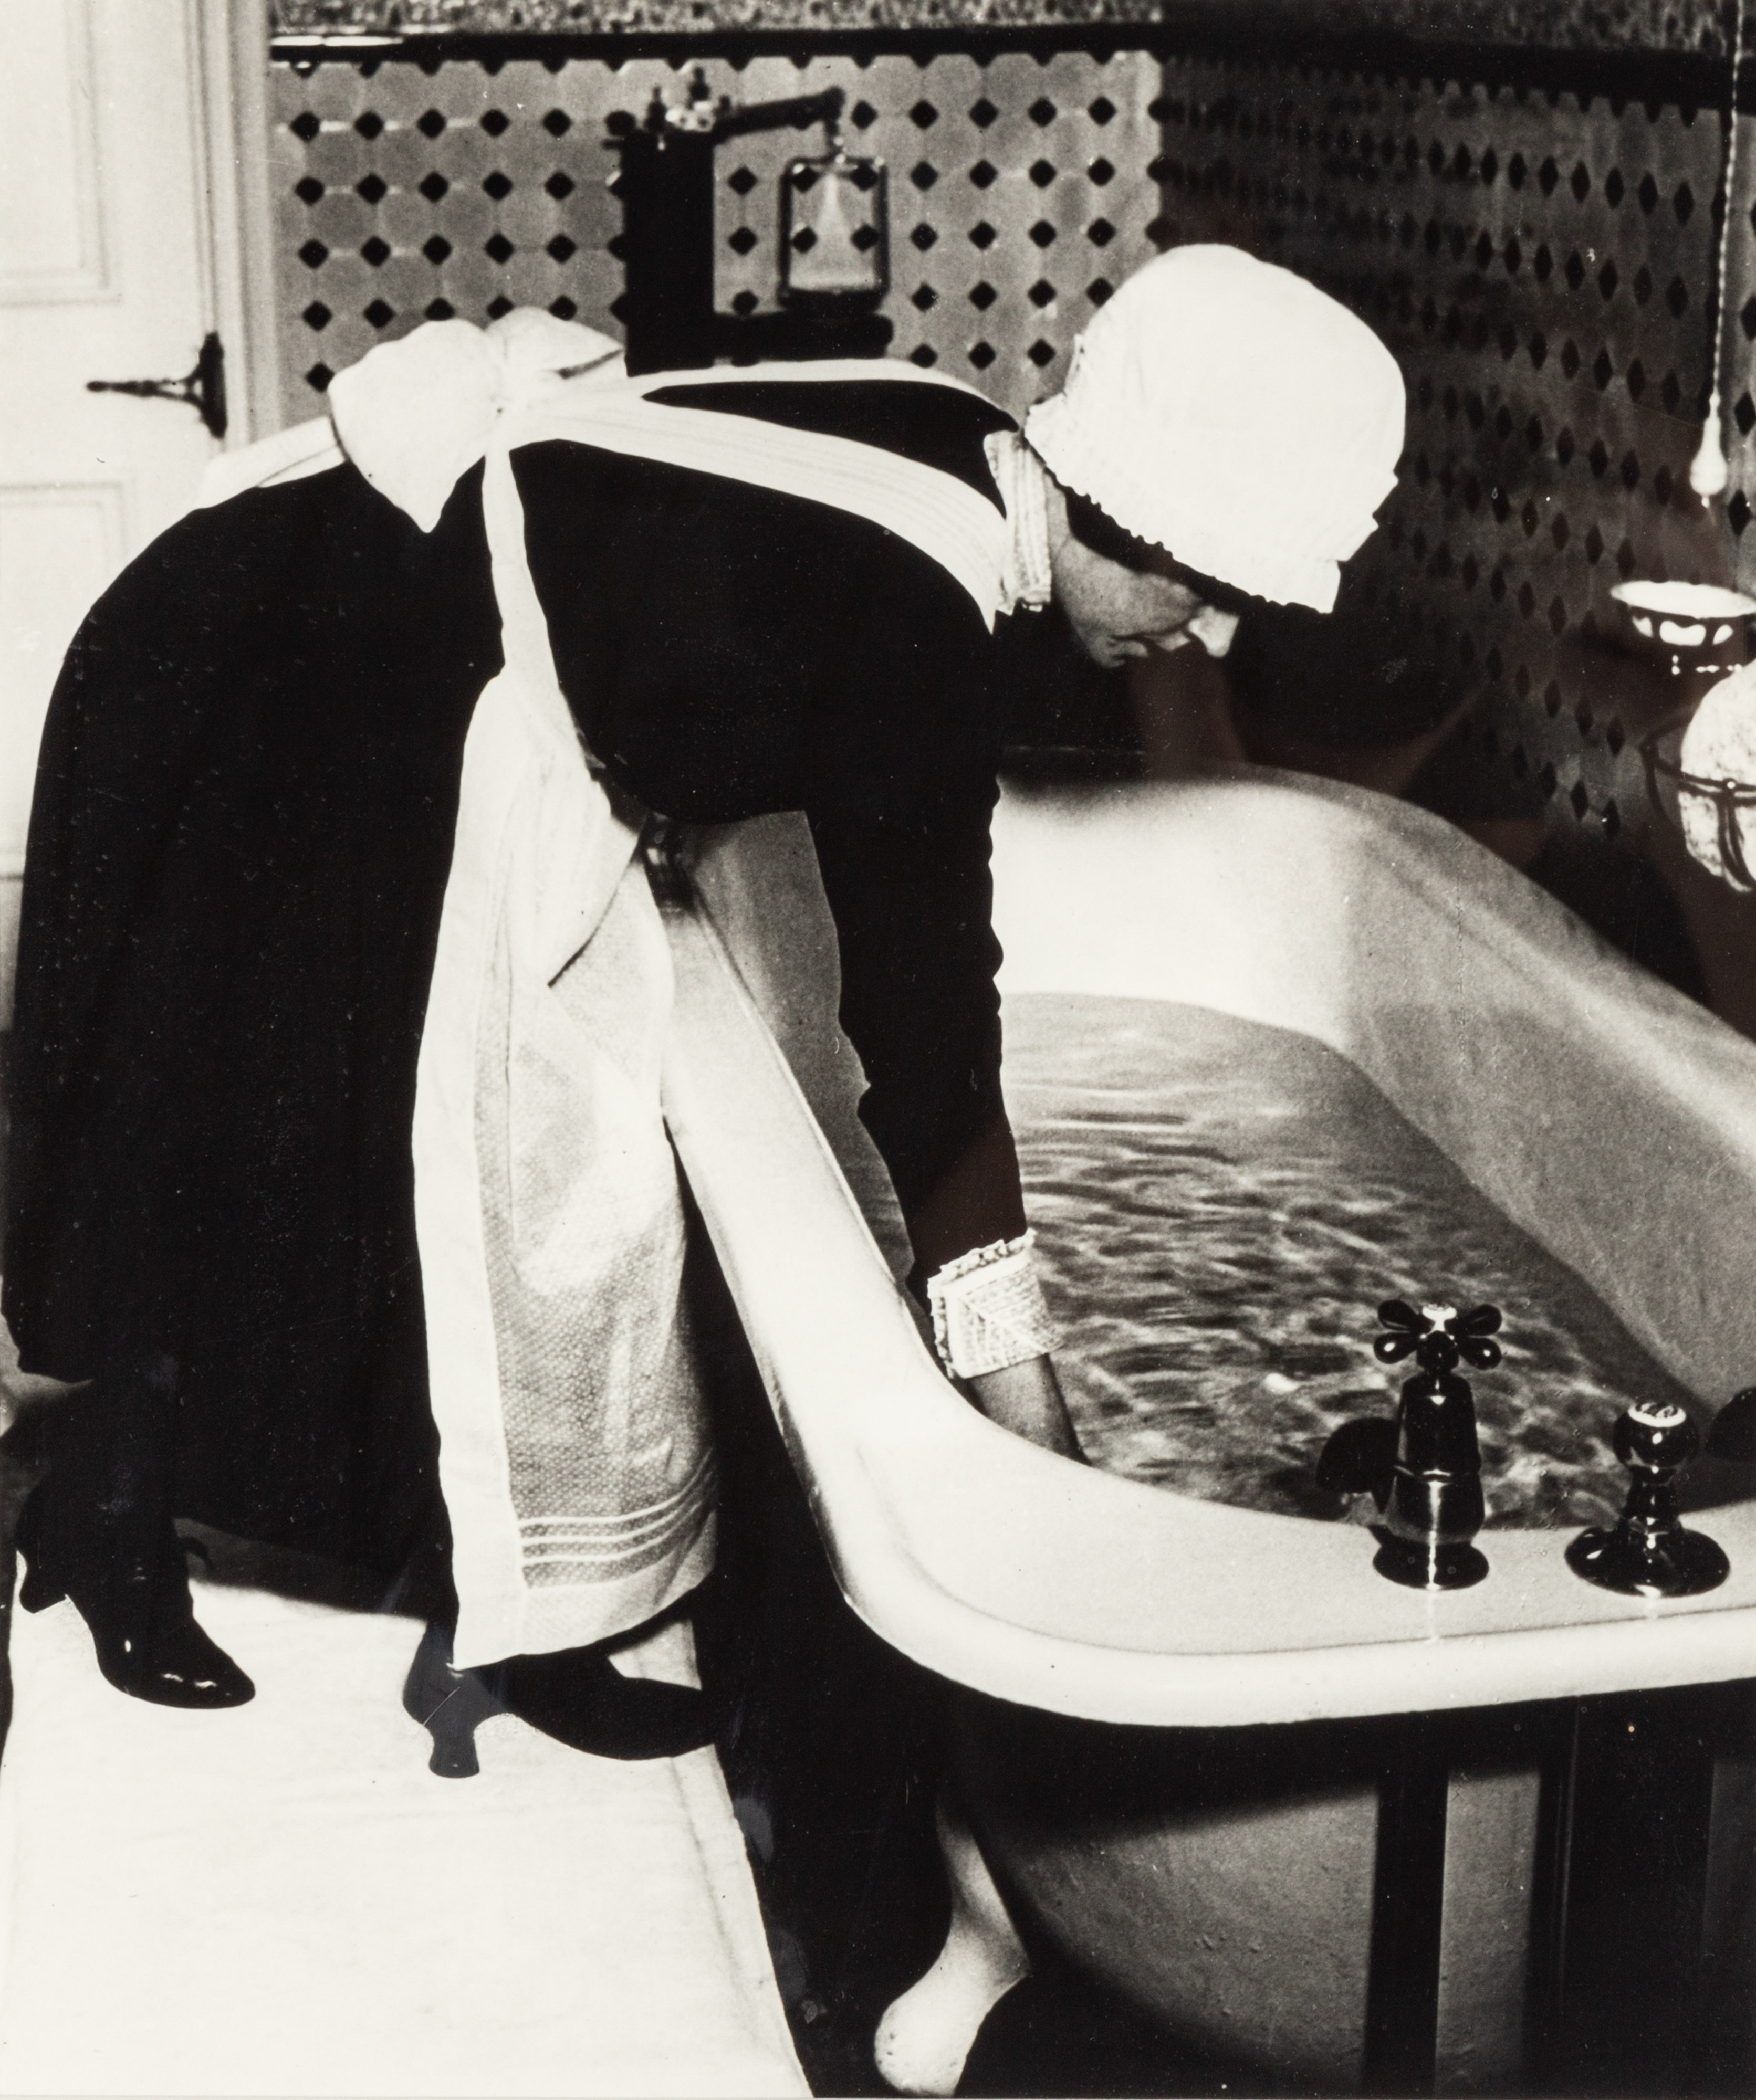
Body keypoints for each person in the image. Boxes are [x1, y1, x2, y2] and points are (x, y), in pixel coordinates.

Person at [0, 246, 1404, 1754]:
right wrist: (1035, 1432)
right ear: (1126, 508)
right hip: (262, 666)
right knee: (239, 1138)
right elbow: (931, 1046)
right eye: (1208, 582)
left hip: (373, 638)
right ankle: (106, 1517)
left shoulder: (960, 435)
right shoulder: (916, 625)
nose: (1209, 635)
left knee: (539, 1187)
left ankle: (523, 1602)